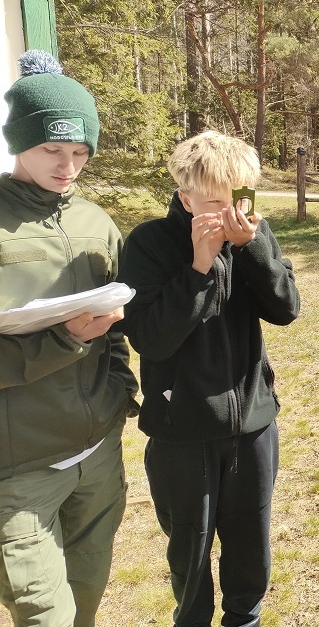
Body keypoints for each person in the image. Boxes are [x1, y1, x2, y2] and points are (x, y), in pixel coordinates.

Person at [117, 131, 300, 626]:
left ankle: (245, 618)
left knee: (250, 544)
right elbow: (150, 339)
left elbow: (286, 308)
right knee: (191, 549)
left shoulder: (253, 232)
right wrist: (199, 269)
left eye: (241, 198)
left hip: (253, 424)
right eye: (216, 202)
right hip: (183, 430)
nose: (232, 212)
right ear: (185, 198)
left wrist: (253, 247)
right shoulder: (150, 243)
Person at [0, 50, 138, 626]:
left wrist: (120, 390)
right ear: (18, 142)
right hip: (18, 470)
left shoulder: (95, 222)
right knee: (46, 616)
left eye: (80, 152)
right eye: (52, 149)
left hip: (98, 453)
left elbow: (114, 329)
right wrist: (63, 341)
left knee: (85, 601)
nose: (67, 166)